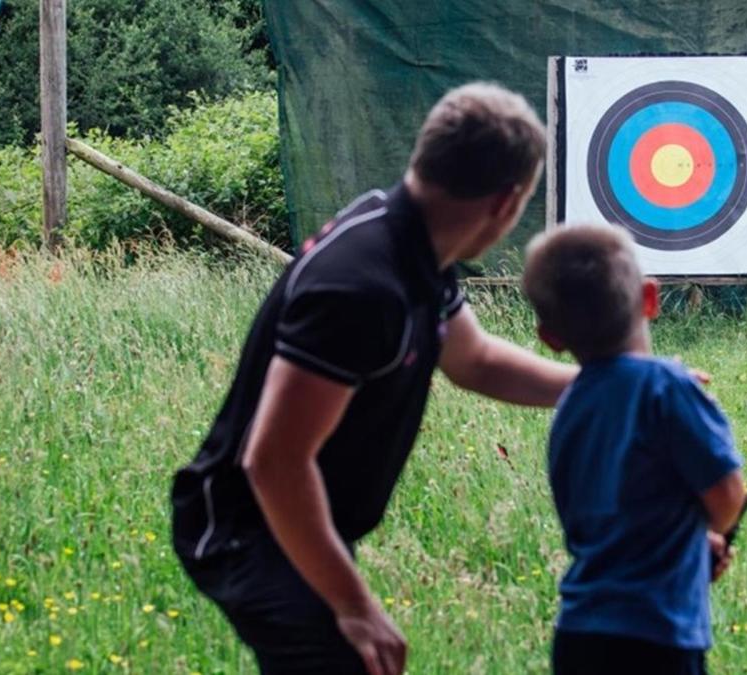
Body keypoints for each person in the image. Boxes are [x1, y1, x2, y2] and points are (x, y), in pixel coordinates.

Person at [170, 82, 577, 675]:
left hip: (298, 516)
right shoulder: (362, 286)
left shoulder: (412, 242)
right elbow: (275, 463)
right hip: (251, 526)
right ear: (506, 202)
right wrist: (355, 605)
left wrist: (616, 379)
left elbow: (474, 360)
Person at [521, 224, 747, 675]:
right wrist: (707, 533)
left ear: (550, 337)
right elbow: (727, 500)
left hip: (579, 636)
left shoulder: (570, 404)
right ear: (650, 298)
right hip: (658, 636)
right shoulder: (668, 388)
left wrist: (685, 539)